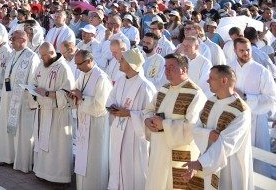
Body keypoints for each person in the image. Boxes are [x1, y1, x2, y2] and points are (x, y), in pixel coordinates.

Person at [183, 65, 253, 190]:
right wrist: (208, 134)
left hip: (231, 167)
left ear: (224, 81)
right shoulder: (210, 102)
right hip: (208, 160)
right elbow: (196, 128)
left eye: (211, 78)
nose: (207, 81)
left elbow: (227, 144)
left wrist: (200, 163)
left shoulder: (241, 111)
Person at [144, 53, 207, 190]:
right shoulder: (163, 89)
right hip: (158, 151)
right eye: (166, 67)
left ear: (184, 69)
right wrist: (147, 120)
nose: (167, 71)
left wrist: (164, 125)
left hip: (179, 153)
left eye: (171, 67)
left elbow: (193, 127)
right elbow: (148, 110)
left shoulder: (195, 94)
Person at [106, 49, 156, 190]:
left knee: (134, 169)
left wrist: (130, 114)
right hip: (119, 130)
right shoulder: (121, 80)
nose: (119, 62)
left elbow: (150, 115)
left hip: (135, 135)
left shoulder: (145, 87)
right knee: (117, 165)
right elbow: (111, 99)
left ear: (131, 64)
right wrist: (112, 108)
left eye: (122, 60)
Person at [230, 37, 276, 177]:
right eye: (242, 50)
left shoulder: (261, 71)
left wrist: (246, 97)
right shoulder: (228, 68)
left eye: (248, 50)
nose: (245, 53)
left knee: (259, 164)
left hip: (256, 120)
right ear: (235, 51)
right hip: (233, 119)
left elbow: (272, 98)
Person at [0, 29, 38, 171]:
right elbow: (8, 73)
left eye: (13, 39)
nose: (11, 41)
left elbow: (33, 81)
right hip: (9, 97)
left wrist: (30, 99)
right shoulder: (12, 54)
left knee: (21, 132)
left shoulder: (32, 57)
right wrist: (6, 89)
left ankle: (20, 162)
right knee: (6, 127)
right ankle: (7, 157)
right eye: (11, 38)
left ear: (23, 40)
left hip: (22, 102)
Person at [32, 41, 75, 184]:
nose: (42, 58)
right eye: (41, 55)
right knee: (43, 143)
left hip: (57, 114)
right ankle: (42, 172)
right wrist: (32, 90)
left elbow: (68, 93)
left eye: (44, 55)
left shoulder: (63, 68)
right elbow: (35, 81)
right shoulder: (41, 65)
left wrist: (48, 93)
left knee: (56, 145)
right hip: (43, 111)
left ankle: (58, 178)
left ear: (52, 53)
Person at [70, 49, 110, 190]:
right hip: (84, 123)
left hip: (96, 127)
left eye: (79, 64)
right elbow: (77, 90)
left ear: (89, 61)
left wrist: (82, 98)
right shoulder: (84, 74)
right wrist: (73, 95)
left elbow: (102, 107)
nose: (77, 67)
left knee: (93, 160)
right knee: (83, 157)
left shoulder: (101, 78)